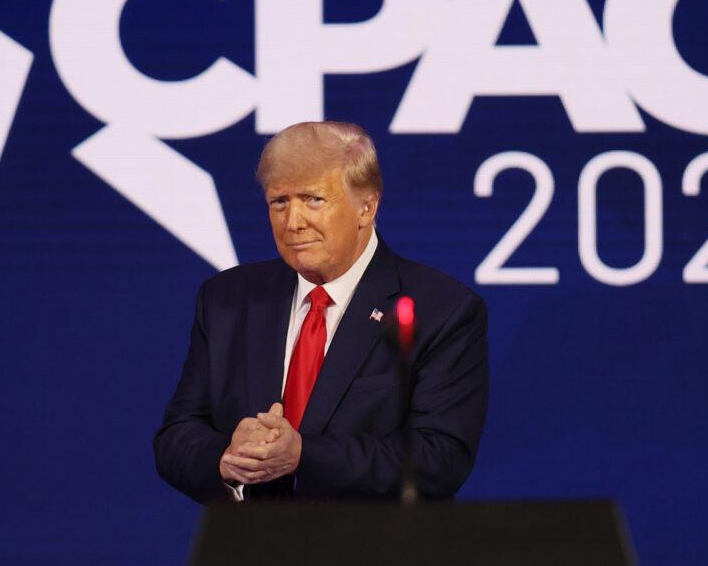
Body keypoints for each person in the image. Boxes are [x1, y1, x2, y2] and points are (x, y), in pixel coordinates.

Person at [154, 121, 488, 501]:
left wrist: (304, 455)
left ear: (366, 206)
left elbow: (438, 460)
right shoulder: (227, 300)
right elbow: (176, 436)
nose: (293, 222)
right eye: (279, 202)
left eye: (313, 199)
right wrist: (226, 459)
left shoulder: (442, 310)